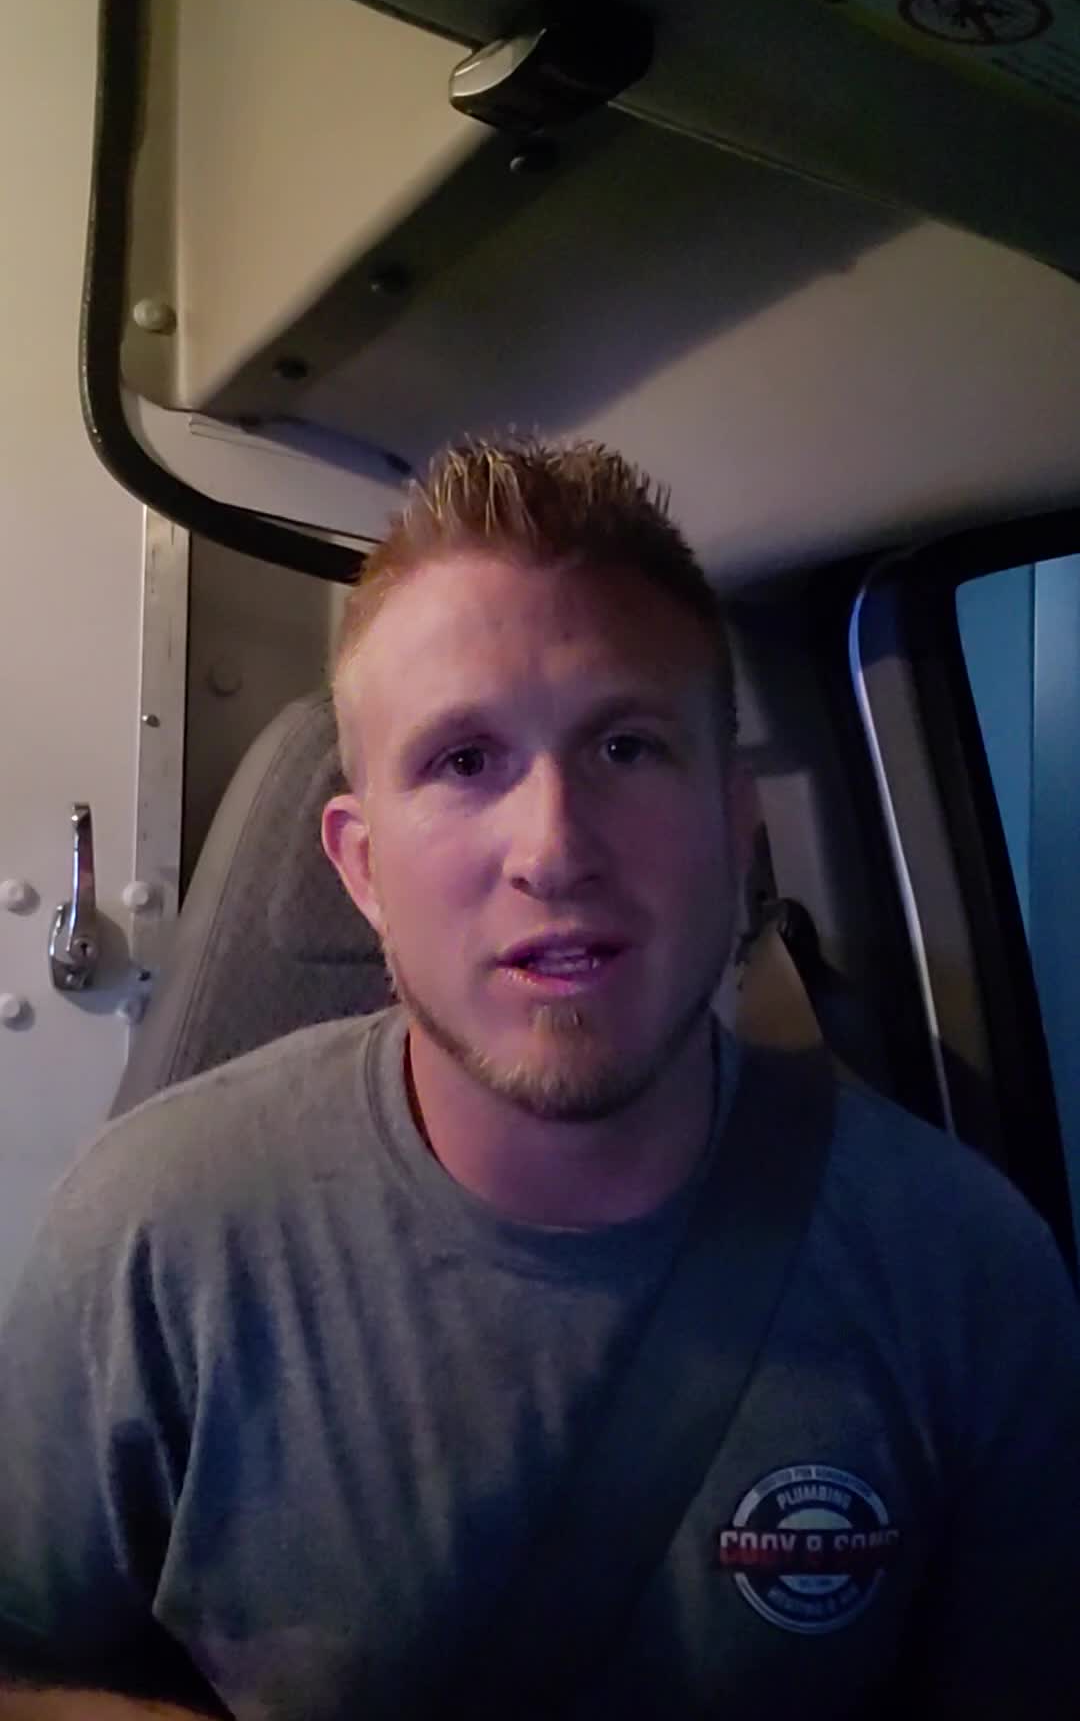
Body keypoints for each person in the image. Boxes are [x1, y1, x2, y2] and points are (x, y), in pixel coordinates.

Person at [1, 438, 1078, 1720]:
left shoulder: (966, 1272)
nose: (555, 847)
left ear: (735, 828)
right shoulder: (149, 1238)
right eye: (464, 761)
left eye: (625, 747)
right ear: (361, 868)